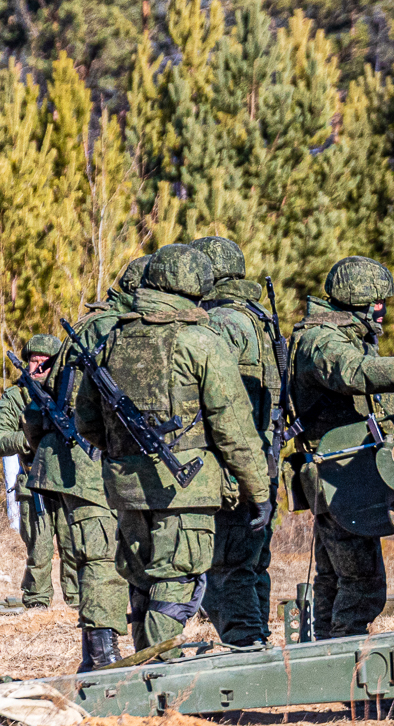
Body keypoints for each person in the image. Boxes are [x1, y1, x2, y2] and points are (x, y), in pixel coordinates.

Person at [74, 244, 270, 656]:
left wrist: (125, 455)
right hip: (186, 487)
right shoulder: (200, 341)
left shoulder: (114, 338)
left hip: (125, 486)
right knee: (176, 581)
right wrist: (260, 491)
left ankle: (148, 673)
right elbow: (235, 429)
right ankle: (158, 677)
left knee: (144, 581)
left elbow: (87, 422)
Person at [288, 256, 394, 640]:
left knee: (335, 579)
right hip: (339, 477)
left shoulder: (345, 337)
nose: (383, 311)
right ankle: (343, 667)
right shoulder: (322, 341)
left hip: (346, 475)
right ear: (361, 301)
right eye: (379, 303)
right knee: (361, 585)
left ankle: (320, 660)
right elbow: (350, 372)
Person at [190, 236, 281, 648]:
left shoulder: (223, 322)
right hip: (258, 455)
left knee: (228, 565)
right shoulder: (253, 317)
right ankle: (254, 641)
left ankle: (244, 647)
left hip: (236, 461)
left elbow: (213, 394)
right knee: (249, 563)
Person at [0, 335, 69, 610]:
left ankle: (80, 610)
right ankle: (37, 608)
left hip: (71, 481)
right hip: (35, 482)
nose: (40, 367)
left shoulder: (70, 391)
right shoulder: (17, 396)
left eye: (47, 362)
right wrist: (32, 436)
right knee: (40, 550)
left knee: (76, 548)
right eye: (35, 361)